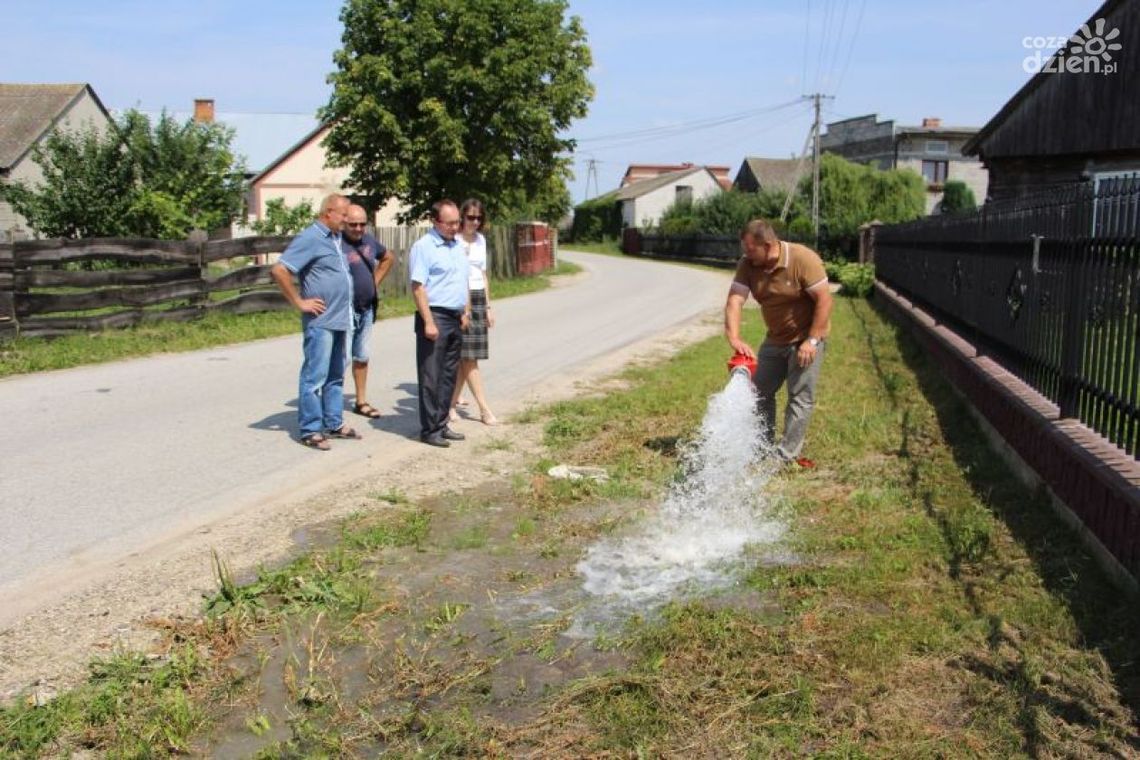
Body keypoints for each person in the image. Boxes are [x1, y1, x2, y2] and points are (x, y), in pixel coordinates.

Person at [724, 218, 833, 466]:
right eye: (745, 249)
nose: (747, 255)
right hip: (775, 339)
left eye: (751, 249)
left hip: (806, 339)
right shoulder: (748, 264)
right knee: (759, 391)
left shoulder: (802, 259)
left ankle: (785, 457)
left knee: (799, 396)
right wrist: (734, 337)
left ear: (769, 244)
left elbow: (825, 300)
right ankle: (762, 447)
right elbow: (735, 300)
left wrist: (812, 341)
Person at [270, 193, 362, 450]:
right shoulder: (311, 237)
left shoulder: (335, 239)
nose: (346, 220)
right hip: (320, 320)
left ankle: (333, 422)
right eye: (343, 215)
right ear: (328, 212)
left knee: (335, 375)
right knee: (315, 376)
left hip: (340, 318)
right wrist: (299, 302)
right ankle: (310, 428)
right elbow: (280, 270)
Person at [409, 199, 470, 447]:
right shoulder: (424, 247)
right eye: (450, 223)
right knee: (431, 376)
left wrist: (464, 311)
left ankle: (442, 423)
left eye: (458, 222)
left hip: (455, 316)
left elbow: (461, 281)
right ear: (436, 222)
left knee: (448, 375)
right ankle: (429, 429)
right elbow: (418, 286)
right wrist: (428, 321)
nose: (455, 227)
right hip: (435, 316)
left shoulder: (457, 246)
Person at [342, 203, 394, 419]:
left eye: (362, 224)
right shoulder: (336, 243)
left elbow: (388, 257)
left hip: (366, 308)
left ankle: (360, 401)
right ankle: (331, 406)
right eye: (353, 224)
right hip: (344, 310)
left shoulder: (369, 241)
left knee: (362, 356)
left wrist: (374, 282)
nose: (358, 228)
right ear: (344, 222)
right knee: (341, 359)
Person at [449, 198, 499, 426]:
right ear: (462, 217)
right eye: (470, 217)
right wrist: (466, 308)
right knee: (469, 358)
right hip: (462, 299)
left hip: (479, 297)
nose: (475, 222)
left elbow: (483, 273)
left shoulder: (480, 240)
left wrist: (488, 307)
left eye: (479, 218)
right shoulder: (454, 240)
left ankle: (449, 406)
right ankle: (484, 408)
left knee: (467, 357)